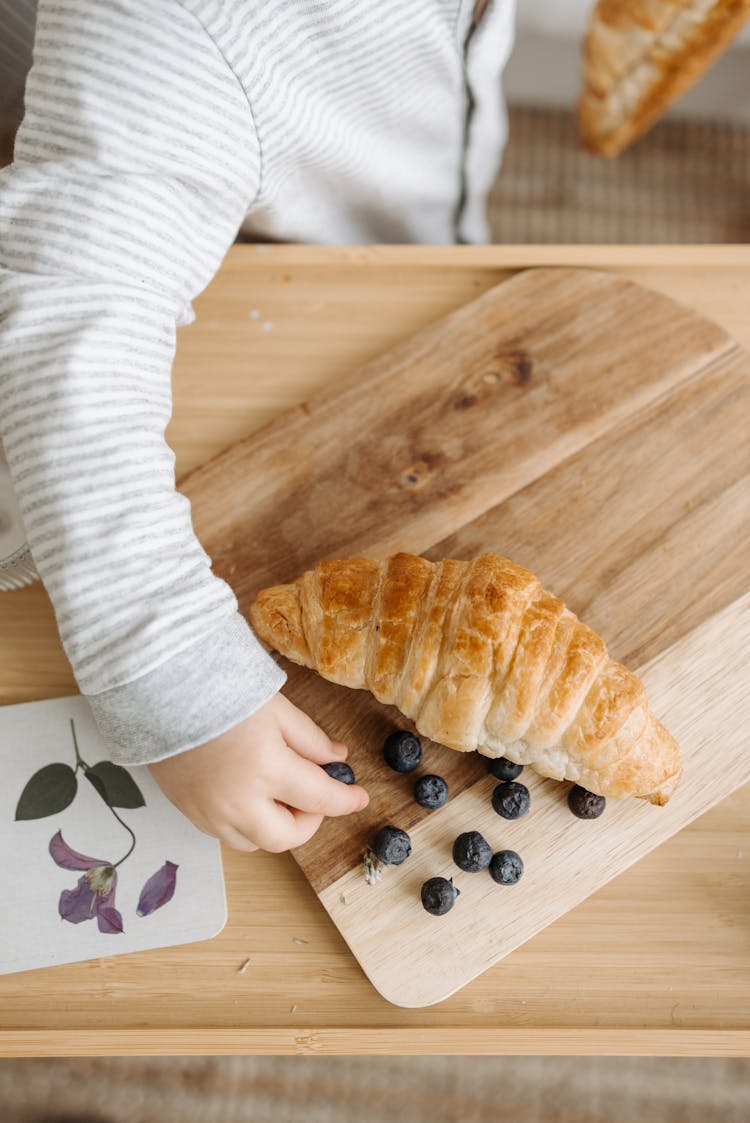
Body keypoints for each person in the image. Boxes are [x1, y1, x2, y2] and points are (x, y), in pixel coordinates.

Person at [0, 0, 516, 853]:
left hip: (359, 211)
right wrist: (180, 685)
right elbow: (74, 315)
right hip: (191, 272)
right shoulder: (179, 22)